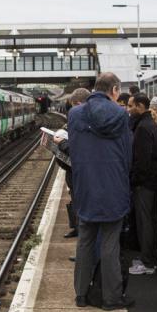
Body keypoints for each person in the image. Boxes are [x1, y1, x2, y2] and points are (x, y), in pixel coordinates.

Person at [67, 72, 135, 309]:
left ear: (95, 88)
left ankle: (81, 295)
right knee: (110, 243)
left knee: (85, 241)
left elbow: (74, 151)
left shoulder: (75, 114)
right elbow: (127, 154)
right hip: (113, 186)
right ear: (115, 90)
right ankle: (111, 298)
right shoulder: (121, 114)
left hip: (85, 186)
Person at [127, 93, 157, 276]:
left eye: (131, 105)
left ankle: (148, 262)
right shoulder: (150, 124)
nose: (128, 109)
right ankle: (147, 257)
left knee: (145, 222)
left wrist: (134, 181)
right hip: (151, 181)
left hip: (145, 184)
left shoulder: (142, 127)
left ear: (141, 106)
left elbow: (142, 160)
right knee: (148, 220)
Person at [55, 88, 91, 239]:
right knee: (75, 199)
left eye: (73, 105)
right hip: (72, 169)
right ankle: (77, 228)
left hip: (81, 171)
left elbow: (80, 149)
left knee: (81, 203)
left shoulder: (88, 120)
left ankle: (82, 233)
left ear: (78, 103)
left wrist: (63, 143)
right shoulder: (78, 119)